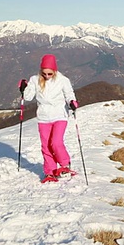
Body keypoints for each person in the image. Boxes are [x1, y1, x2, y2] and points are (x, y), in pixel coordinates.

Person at [18, 54, 79, 183]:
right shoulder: (35, 80)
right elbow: (28, 97)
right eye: (44, 73)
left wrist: (72, 102)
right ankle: (49, 172)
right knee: (46, 146)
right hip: (43, 117)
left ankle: (64, 165)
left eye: (49, 74)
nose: (46, 76)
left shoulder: (63, 80)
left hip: (60, 115)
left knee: (56, 142)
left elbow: (69, 94)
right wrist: (23, 89)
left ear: (55, 71)